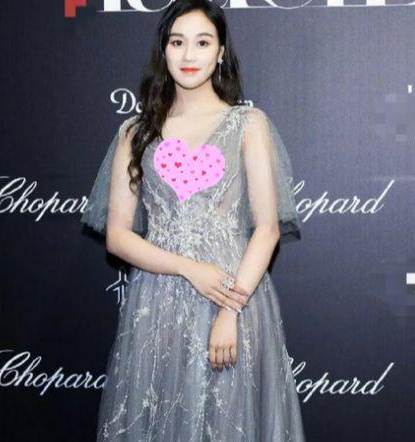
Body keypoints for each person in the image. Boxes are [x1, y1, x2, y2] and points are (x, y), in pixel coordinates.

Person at [80, 0, 306, 440]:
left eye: (202, 43)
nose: (189, 55)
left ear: (220, 52)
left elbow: (267, 230)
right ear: (163, 51)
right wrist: (188, 268)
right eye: (177, 42)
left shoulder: (248, 123)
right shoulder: (135, 131)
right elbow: (118, 237)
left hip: (232, 293)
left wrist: (230, 309)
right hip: (157, 301)